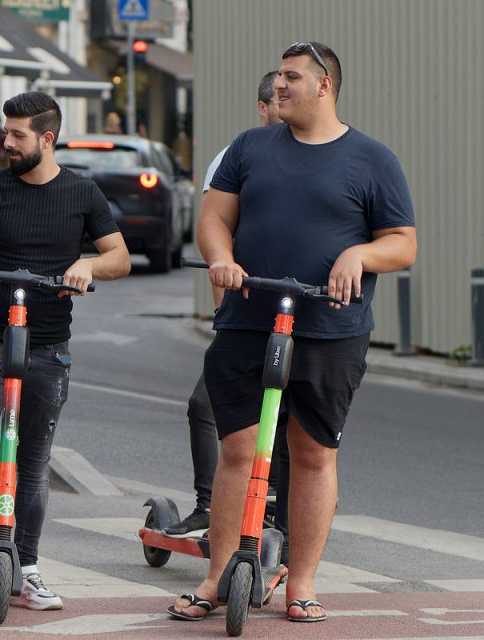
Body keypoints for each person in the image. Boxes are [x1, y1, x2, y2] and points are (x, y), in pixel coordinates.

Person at [169, 41, 416, 624]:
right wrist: (222, 257)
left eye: (291, 77)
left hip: (330, 330)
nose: (278, 86)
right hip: (246, 321)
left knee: (312, 455)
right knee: (236, 450)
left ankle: (299, 584)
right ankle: (215, 578)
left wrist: (360, 254)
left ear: (324, 84)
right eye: (278, 77)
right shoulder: (248, 149)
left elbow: (402, 243)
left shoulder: (372, 160)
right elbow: (213, 218)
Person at [0, 91, 131, 610]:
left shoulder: (82, 193)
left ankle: (26, 566)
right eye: (5, 132)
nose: (5, 142)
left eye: (17, 135)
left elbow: (118, 257)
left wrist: (88, 266)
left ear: (46, 139)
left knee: (33, 461)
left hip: (49, 346)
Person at [164, 70, 282, 538]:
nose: (284, 107)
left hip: (298, 315)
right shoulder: (234, 158)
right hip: (244, 313)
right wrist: (223, 316)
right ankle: (209, 505)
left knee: (291, 419)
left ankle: (283, 514)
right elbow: (219, 240)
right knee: (204, 404)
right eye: (277, 99)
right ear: (262, 107)